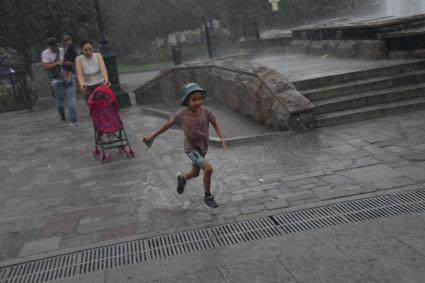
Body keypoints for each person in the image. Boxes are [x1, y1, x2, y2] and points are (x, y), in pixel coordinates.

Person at [143, 82, 227, 208]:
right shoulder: (181, 115)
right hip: (191, 149)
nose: (198, 102)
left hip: (202, 148)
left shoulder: (206, 112)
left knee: (195, 173)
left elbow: (215, 123)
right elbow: (167, 125)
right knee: (208, 169)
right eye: (194, 99)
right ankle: (208, 196)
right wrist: (152, 136)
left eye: (199, 99)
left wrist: (221, 137)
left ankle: (182, 178)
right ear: (186, 101)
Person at [41, 37, 78, 125]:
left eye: (55, 46)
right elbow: (45, 67)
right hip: (57, 81)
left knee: (71, 100)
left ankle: (73, 119)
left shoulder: (62, 51)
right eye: (52, 47)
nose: (54, 49)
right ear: (49, 47)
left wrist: (69, 63)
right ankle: (62, 114)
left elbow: (71, 61)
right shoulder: (45, 53)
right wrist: (57, 63)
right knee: (60, 102)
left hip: (68, 77)